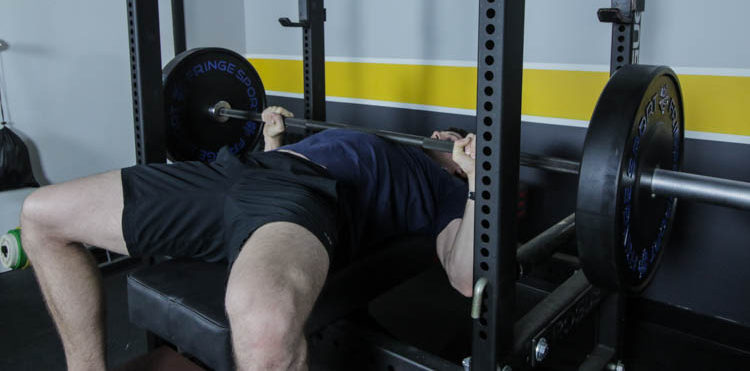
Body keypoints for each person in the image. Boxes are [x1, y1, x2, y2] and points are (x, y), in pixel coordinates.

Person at [20, 106, 477, 371]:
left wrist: (477, 184)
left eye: (454, 137)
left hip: (301, 194)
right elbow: (256, 196)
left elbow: (463, 275)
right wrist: (272, 141)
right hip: (233, 172)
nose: (440, 134)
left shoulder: (448, 191)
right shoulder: (393, 144)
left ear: (461, 157)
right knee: (41, 215)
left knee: (264, 329)